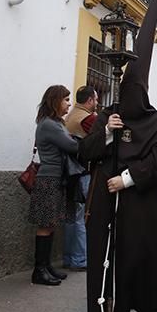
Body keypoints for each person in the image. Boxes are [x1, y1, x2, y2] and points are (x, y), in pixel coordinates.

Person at [78, 0, 157, 312]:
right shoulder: (107, 116)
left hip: (140, 204)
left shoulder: (153, 122)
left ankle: (146, 305)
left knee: (139, 258)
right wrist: (105, 133)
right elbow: (84, 152)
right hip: (106, 201)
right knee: (106, 258)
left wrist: (130, 177)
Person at [29, 85, 82, 287]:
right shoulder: (50, 125)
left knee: (50, 224)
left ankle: (46, 266)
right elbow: (71, 146)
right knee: (45, 224)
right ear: (55, 101)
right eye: (66, 99)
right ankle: (39, 270)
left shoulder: (55, 123)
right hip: (48, 179)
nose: (69, 103)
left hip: (55, 179)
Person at [64, 85, 99, 271]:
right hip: (82, 173)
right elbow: (98, 142)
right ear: (90, 100)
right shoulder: (89, 118)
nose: (98, 102)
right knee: (80, 218)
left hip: (70, 173)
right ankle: (79, 259)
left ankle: (69, 257)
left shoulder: (70, 116)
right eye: (96, 99)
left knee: (71, 217)